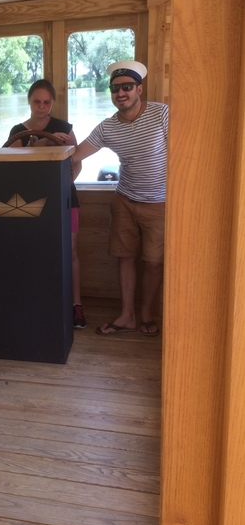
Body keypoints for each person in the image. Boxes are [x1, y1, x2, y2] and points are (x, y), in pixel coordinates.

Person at [72, 61, 168, 337]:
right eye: (115, 89)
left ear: (139, 89)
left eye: (127, 87)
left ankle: (146, 313)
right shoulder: (107, 128)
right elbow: (76, 155)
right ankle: (127, 316)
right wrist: (59, 146)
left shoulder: (162, 114)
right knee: (125, 257)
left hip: (160, 202)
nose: (120, 93)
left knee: (154, 262)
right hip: (124, 199)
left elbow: (186, 153)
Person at [5, 79, 86, 329]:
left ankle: (76, 305)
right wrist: (39, 145)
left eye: (46, 102)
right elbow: (10, 167)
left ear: (53, 103)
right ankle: (39, 302)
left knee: (71, 251)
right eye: (37, 102)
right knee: (37, 251)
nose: (41, 107)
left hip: (66, 198)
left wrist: (64, 185)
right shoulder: (17, 131)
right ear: (29, 101)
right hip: (31, 203)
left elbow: (77, 162)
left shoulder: (64, 128)